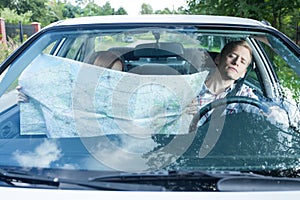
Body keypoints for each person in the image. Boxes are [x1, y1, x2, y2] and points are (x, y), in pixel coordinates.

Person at [186, 40, 260, 124]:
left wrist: (272, 113)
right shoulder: (191, 84)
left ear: (243, 73)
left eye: (242, 62)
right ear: (218, 59)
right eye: (232, 56)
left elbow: (260, 111)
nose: (236, 62)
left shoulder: (243, 93)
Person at [17, 50, 124, 103]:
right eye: (107, 76)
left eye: (117, 76)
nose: (112, 82)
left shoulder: (125, 101)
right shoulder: (70, 94)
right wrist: (29, 100)